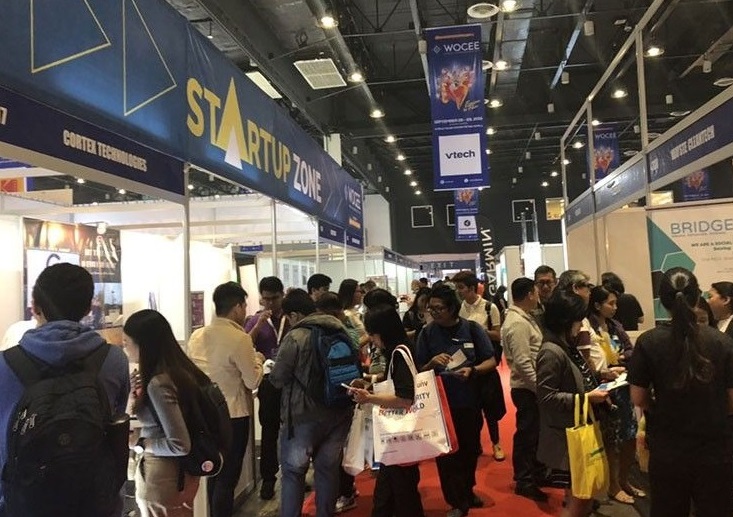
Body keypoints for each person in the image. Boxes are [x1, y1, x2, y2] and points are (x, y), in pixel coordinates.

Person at [0, 263, 129, 516]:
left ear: (35, 306)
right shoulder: (114, 360)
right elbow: (115, 419)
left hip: (22, 503)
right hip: (95, 502)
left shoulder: (5, 365)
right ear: (89, 307)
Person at [629, 268, 733, 517]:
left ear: (662, 300)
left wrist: (658, 408)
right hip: (714, 448)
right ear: (697, 297)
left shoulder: (648, 341)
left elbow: (638, 398)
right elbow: (731, 401)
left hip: (668, 447)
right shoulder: (722, 342)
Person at [270, 289, 355, 517]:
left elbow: (278, 378)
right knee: (327, 470)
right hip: (339, 411)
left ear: (295, 314)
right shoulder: (339, 330)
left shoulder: (295, 337)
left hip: (302, 416)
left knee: (293, 472)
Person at [416, 285, 497, 517]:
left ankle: (467, 491)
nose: (434, 312)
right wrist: (432, 363)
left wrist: (473, 370)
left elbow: (491, 360)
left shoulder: (471, 329)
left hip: (469, 402)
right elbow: (419, 369)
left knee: (470, 451)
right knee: (447, 456)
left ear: (452, 308)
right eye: (431, 308)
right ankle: (456, 501)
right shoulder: (427, 333)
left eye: (439, 308)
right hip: (440, 405)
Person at [124, 309, 211, 517]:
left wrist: (140, 442)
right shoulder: (180, 372)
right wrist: (133, 399)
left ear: (143, 345)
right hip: (179, 477)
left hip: (163, 478)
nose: (125, 349)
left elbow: (179, 444)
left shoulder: (159, 383)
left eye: (127, 343)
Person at [187, 282, 264, 516]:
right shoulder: (240, 338)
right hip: (233, 414)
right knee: (228, 476)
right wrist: (259, 360)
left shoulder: (197, 335)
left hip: (203, 413)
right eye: (244, 306)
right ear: (237, 307)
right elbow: (252, 381)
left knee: (213, 470)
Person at [536, 290, 609, 517]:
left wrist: (602, 376)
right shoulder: (551, 351)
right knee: (578, 499)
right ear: (567, 321)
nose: (581, 326)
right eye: (579, 320)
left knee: (581, 495)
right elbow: (546, 397)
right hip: (567, 436)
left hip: (573, 430)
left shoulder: (564, 345)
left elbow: (576, 378)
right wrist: (586, 398)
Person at [349, 304, 425, 517]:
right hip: (399, 438)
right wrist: (369, 384)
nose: (371, 340)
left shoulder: (399, 353)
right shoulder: (402, 349)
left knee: (400, 491)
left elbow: (404, 398)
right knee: (393, 489)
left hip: (399, 434)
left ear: (383, 332)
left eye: (372, 335)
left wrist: (369, 398)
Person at [587, 286, 642, 505]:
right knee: (610, 440)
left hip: (622, 385)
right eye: (610, 303)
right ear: (597, 305)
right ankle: (613, 485)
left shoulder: (615, 325)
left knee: (630, 435)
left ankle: (624, 480)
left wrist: (621, 358)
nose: (615, 307)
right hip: (603, 390)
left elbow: (630, 349)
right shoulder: (588, 327)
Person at [452, 271, 506, 462]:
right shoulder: (459, 309)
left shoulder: (489, 307)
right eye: (457, 288)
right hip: (467, 363)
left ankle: (496, 443)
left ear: (472, 288)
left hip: (486, 363)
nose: (458, 292)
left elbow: (498, 335)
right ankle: (475, 444)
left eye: (461, 288)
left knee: (490, 409)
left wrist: (479, 331)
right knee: (471, 410)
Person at [501, 278, 547, 501]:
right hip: (527, 388)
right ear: (530, 294)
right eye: (536, 292)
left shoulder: (522, 318)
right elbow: (522, 361)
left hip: (529, 387)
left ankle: (534, 474)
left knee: (533, 433)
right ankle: (525, 480)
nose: (538, 296)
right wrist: (539, 387)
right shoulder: (518, 323)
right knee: (527, 435)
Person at [244, 276, 289, 500]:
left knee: (291, 430)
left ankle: (293, 476)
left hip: (290, 382)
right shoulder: (255, 320)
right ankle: (268, 479)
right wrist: (259, 325)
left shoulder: (291, 316)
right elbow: (244, 344)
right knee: (269, 431)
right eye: (266, 299)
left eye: (274, 298)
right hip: (268, 383)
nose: (270, 303)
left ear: (282, 295)